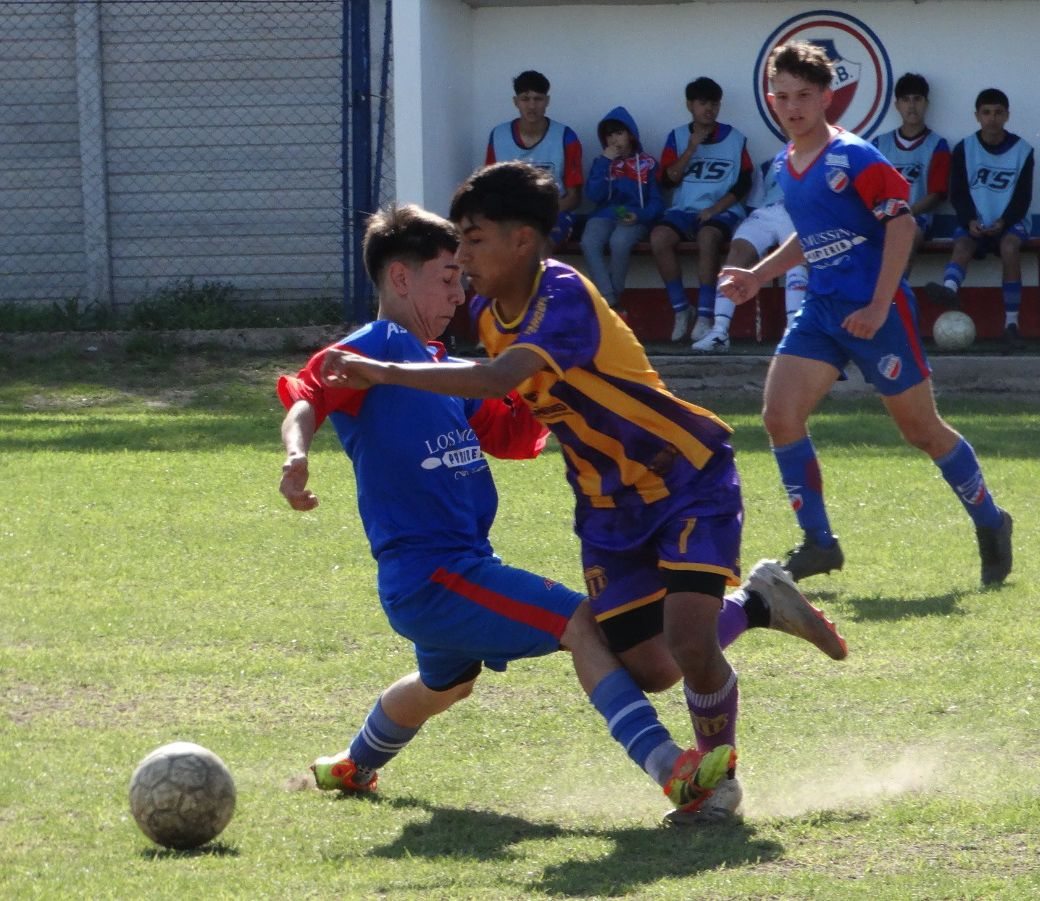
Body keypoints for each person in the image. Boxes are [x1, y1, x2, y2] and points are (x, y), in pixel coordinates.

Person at [319, 164, 849, 824]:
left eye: (473, 241)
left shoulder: (561, 293)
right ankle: (761, 602)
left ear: (521, 241)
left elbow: (495, 380)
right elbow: (506, 406)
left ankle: (715, 782)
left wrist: (383, 372)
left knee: (686, 641)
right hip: (606, 506)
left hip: (681, 472)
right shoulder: (484, 313)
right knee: (652, 665)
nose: (461, 257)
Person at [718, 42, 1013, 586]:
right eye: (782, 96)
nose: (793, 106)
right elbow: (810, 236)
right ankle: (819, 543)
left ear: (829, 97)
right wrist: (758, 275)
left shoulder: (856, 157)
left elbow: (902, 227)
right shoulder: (785, 163)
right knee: (779, 416)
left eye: (805, 95)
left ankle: (992, 522)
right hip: (823, 311)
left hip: (877, 312)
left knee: (921, 431)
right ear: (770, 100)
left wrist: (879, 306)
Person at [923, 88, 1034, 349]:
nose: (992, 118)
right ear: (977, 116)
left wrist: (1004, 222)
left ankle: (1011, 325)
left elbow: (1023, 197)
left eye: (998, 112)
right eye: (986, 112)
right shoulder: (965, 148)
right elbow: (958, 191)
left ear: (1007, 115)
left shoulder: (1023, 150)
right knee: (962, 243)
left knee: (1009, 247)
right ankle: (949, 290)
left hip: (1010, 222)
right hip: (977, 219)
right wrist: (969, 219)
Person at [650, 77, 753, 342]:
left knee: (708, 237)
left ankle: (706, 314)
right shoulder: (677, 137)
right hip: (684, 209)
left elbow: (744, 183)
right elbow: (668, 179)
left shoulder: (735, 138)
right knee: (659, 237)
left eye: (715, 103)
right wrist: (691, 148)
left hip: (722, 211)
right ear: (690, 105)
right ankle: (682, 310)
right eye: (703, 103)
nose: (709, 109)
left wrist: (715, 209)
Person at [691, 154, 808, 353]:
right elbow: (754, 203)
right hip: (766, 212)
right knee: (737, 253)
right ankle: (719, 331)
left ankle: (793, 332)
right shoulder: (769, 163)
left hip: (800, 211)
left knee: (794, 260)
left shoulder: (823, 155)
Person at [485, 69, 583, 248]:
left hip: (552, 213)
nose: (532, 106)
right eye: (525, 99)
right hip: (510, 216)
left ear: (547, 101)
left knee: (538, 245)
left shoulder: (566, 137)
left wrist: (539, 213)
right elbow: (489, 189)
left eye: (538, 99)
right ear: (516, 102)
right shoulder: (499, 135)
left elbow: (574, 197)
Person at [580, 106, 664, 312]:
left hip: (634, 216)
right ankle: (610, 300)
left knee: (619, 242)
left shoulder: (648, 163)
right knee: (589, 242)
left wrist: (640, 215)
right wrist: (604, 163)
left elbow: (656, 202)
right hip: (605, 213)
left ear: (631, 135)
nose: (614, 140)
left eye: (619, 133)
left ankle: (611, 300)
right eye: (609, 135)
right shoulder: (601, 163)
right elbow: (593, 196)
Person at [871, 73, 951, 270]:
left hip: (918, 218)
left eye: (917, 99)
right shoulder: (879, 145)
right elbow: (869, 191)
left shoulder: (938, 145)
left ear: (926, 103)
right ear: (897, 105)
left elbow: (936, 195)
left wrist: (905, 213)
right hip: (881, 218)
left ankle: (894, 298)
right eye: (906, 100)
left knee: (906, 237)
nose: (912, 105)